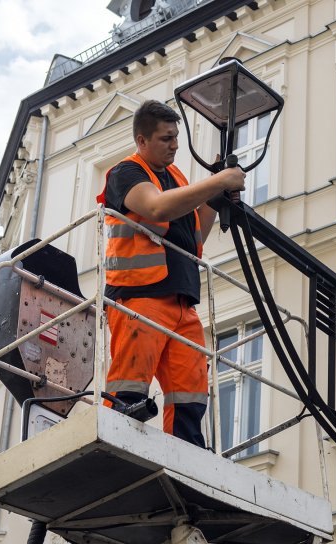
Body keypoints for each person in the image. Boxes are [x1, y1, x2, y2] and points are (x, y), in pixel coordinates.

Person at [96, 99, 245, 447]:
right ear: (142, 140)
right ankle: (115, 447)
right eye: (166, 138)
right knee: (129, 386)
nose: (175, 145)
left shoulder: (176, 179)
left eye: (176, 137)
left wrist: (216, 195)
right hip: (141, 296)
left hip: (182, 300)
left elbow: (195, 237)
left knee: (190, 390)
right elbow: (156, 207)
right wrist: (218, 180)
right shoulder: (126, 173)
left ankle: (187, 455)